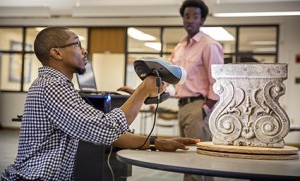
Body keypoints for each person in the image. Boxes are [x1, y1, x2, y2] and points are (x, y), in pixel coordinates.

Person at [1, 27, 199, 181]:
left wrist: (156, 142)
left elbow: (101, 132)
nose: (84, 50)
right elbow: (105, 128)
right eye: (77, 44)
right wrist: (142, 90)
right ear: (56, 53)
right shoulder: (51, 87)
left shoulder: (56, 86)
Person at [170, 0, 224, 181]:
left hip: (198, 106)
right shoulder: (180, 47)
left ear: (202, 20)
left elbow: (217, 82)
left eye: (195, 16)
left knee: (197, 161)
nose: (190, 20)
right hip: (182, 106)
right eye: (186, 16)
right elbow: (171, 76)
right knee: (189, 158)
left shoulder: (209, 45)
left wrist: (206, 109)